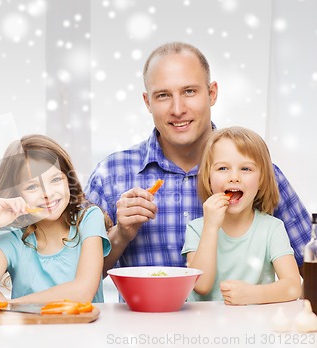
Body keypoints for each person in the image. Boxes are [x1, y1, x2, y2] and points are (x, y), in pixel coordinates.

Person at [84, 41, 311, 277]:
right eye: (163, 95)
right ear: (147, 102)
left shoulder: (257, 174)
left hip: (240, 314)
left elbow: (310, 262)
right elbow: (74, 278)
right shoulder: (111, 174)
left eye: (189, 91)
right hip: (147, 315)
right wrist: (120, 235)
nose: (178, 109)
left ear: (212, 93)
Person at [0, 134, 111, 303]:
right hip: (31, 330)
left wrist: (9, 305)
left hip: (84, 329)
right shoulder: (12, 240)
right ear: (16, 194)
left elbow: (83, 292)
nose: (47, 194)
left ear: (68, 181)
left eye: (55, 179)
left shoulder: (89, 219)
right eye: (32, 186)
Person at [181, 127, 301, 304]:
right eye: (223, 168)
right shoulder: (197, 228)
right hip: (203, 325)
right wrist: (211, 227)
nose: (234, 177)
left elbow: (293, 286)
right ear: (208, 178)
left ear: (261, 179)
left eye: (246, 168)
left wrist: (254, 294)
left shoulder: (272, 228)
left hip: (253, 325)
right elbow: (201, 286)